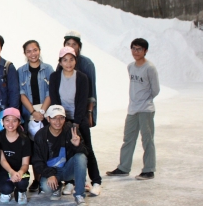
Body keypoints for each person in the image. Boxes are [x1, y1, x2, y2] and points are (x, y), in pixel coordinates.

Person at [49, 46, 101, 197]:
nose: (68, 63)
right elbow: (55, 99)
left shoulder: (82, 77)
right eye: (65, 60)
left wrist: (76, 124)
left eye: (71, 59)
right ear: (60, 62)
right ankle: (71, 182)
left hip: (79, 118)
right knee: (67, 151)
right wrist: (61, 121)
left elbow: (82, 102)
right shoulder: (55, 77)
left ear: (75, 61)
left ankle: (96, 181)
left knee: (86, 149)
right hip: (61, 119)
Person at [107, 38, 160, 180]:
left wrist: (145, 100)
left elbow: (155, 89)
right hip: (132, 109)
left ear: (145, 51)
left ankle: (149, 169)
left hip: (145, 109)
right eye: (134, 48)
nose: (136, 52)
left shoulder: (150, 68)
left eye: (139, 49)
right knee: (128, 138)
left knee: (147, 139)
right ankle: (123, 167)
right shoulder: (130, 67)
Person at [32, 105, 89, 206]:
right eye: (54, 118)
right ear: (48, 119)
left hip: (67, 169)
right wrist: (50, 174)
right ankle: (57, 187)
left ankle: (79, 195)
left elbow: (85, 154)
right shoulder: (40, 135)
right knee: (46, 187)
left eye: (61, 118)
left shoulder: (71, 130)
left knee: (81, 156)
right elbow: (37, 161)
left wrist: (77, 146)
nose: (58, 122)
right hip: (51, 171)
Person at [17, 40, 54, 192]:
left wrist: (42, 112)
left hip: (46, 113)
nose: (33, 54)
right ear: (25, 53)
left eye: (35, 50)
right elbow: (21, 94)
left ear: (39, 50)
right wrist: (33, 112)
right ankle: (37, 179)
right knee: (32, 148)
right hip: (29, 114)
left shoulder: (48, 69)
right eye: (29, 51)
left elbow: (51, 92)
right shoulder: (21, 71)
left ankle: (50, 176)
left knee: (46, 146)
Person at [0, 108, 31, 204]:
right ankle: (5, 192)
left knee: (22, 183)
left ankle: (21, 191)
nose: (10, 124)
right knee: (6, 188)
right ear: (2, 121)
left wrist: (19, 173)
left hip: (20, 170)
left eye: (14, 120)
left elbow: (25, 164)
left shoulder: (24, 139)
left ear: (19, 122)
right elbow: (2, 160)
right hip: (5, 170)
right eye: (7, 120)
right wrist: (11, 172)